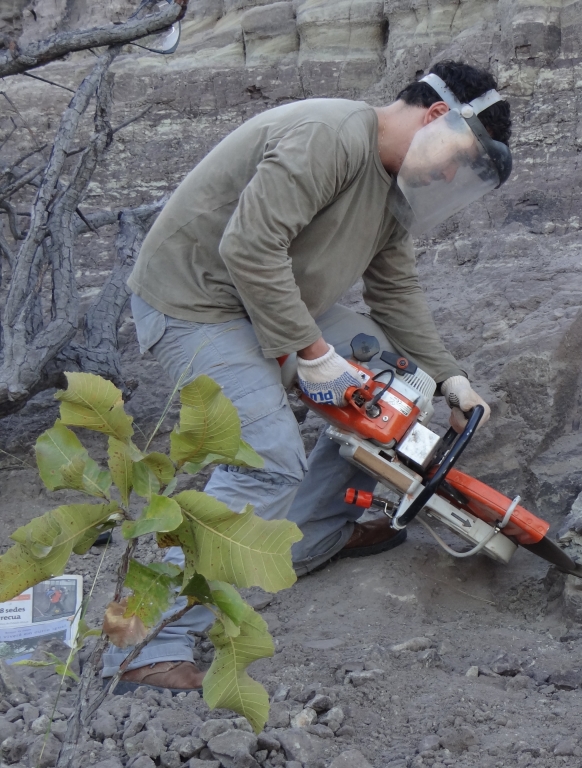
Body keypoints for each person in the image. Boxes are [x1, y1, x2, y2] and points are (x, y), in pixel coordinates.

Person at [104, 61, 513, 693]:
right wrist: (311, 352)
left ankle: (303, 537)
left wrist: (450, 379)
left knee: (399, 393)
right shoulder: (330, 134)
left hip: (272, 298)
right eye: (459, 157)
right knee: (265, 459)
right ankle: (139, 645)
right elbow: (249, 247)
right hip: (196, 304)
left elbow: (396, 292)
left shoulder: (392, 188)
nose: (450, 175)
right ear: (436, 118)